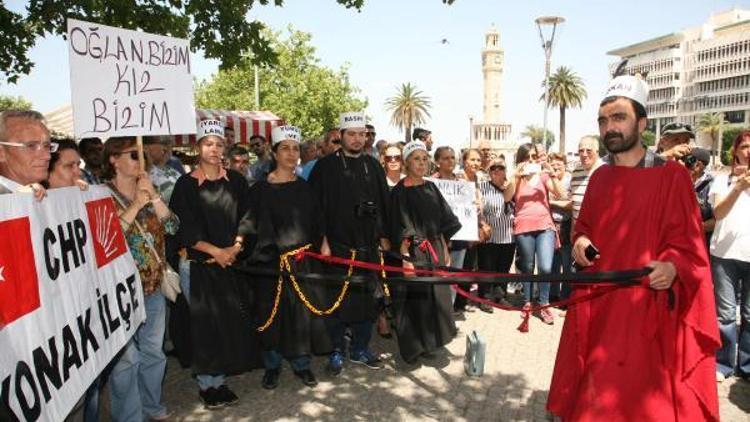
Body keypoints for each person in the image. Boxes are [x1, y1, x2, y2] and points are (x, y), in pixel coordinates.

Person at [547, 74, 720, 421]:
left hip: (650, 309)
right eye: (603, 119)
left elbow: (688, 245)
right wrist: (580, 242)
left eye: (619, 117)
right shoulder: (599, 177)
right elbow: (583, 229)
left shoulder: (671, 176)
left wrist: (672, 267)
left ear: (641, 122)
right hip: (600, 305)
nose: (609, 127)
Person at [169, 119, 259, 409]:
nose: (214, 149)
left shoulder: (236, 181)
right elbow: (184, 227)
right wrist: (215, 252)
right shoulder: (185, 185)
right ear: (198, 147)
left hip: (229, 263)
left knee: (226, 324)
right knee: (204, 326)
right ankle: (207, 385)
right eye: (208, 143)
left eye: (219, 144)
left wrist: (235, 247)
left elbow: (248, 218)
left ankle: (219, 381)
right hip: (198, 266)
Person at [247, 125, 330, 389]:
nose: (292, 154)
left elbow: (318, 220)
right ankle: (271, 366)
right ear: (274, 153)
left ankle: (301, 365)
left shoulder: (306, 188)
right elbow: (249, 225)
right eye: (285, 148)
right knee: (270, 315)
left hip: (302, 261)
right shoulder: (259, 190)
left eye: (295, 149)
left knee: (300, 315)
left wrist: (324, 243)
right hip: (270, 265)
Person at [308, 111, 390, 375]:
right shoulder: (325, 167)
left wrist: (384, 237)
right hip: (337, 247)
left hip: (367, 246)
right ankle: (336, 350)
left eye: (361, 135)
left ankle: (360, 349)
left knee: (366, 301)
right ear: (341, 136)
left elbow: (385, 205)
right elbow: (315, 208)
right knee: (336, 301)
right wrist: (322, 241)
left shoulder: (374, 165)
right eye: (351, 134)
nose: (357, 139)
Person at [103, 136, 179, 422]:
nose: (141, 160)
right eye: (134, 155)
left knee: (153, 353)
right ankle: (130, 416)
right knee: (127, 361)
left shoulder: (149, 188)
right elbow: (110, 237)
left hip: (153, 286)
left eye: (144, 155)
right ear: (113, 159)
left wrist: (154, 197)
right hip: (119, 290)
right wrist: (135, 203)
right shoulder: (100, 194)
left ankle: (153, 407)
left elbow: (172, 226)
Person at [389, 140, 460, 364]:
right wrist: (406, 259)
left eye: (424, 158)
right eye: (416, 159)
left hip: (435, 249)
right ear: (407, 163)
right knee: (414, 299)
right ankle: (413, 348)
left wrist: (445, 246)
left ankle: (431, 342)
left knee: (435, 297)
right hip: (413, 252)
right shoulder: (399, 192)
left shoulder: (431, 187)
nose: (421, 163)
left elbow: (444, 218)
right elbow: (399, 227)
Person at [505, 142, 564, 325]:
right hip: (523, 226)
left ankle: (544, 303)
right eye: (526, 157)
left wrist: (551, 172)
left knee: (546, 267)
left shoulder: (544, 176)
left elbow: (560, 193)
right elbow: (507, 197)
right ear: (521, 159)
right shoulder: (516, 178)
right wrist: (515, 175)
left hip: (545, 225)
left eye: (533, 156)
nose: (530, 160)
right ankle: (527, 302)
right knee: (527, 267)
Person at [709, 130, 750, 382]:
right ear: (735, 150)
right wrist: (738, 187)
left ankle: (746, 366)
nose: (748, 151)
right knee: (725, 314)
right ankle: (723, 363)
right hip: (724, 255)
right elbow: (718, 214)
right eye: (744, 146)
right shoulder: (721, 179)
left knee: (749, 315)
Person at [476, 157, 515, 311]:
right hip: (489, 234)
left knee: (503, 268)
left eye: (500, 167)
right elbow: (477, 208)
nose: (497, 170)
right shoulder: (482, 187)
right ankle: (484, 297)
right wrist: (481, 224)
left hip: (508, 235)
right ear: (488, 171)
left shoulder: (512, 186)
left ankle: (500, 296)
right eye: (493, 168)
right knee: (487, 267)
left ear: (506, 170)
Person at [0, 110, 53, 200]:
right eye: (31, 146)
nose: (47, 156)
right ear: (1, 153)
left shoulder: (49, 194)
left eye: (47, 146)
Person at [548, 152, 572, 303]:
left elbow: (570, 204)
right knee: (552, 263)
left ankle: (565, 298)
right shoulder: (548, 178)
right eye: (553, 164)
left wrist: (552, 203)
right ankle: (552, 294)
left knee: (566, 263)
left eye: (559, 164)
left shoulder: (570, 179)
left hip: (567, 225)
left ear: (565, 165)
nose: (556, 167)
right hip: (550, 225)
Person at [688, 147, 715, 248]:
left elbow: (716, 221)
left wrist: (691, 229)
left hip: (701, 245)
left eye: (688, 160)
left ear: (698, 164)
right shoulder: (680, 179)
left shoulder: (712, 185)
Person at [144, 135, 183, 203]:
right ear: (147, 147)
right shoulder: (142, 174)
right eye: (161, 143)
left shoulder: (173, 166)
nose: (164, 148)